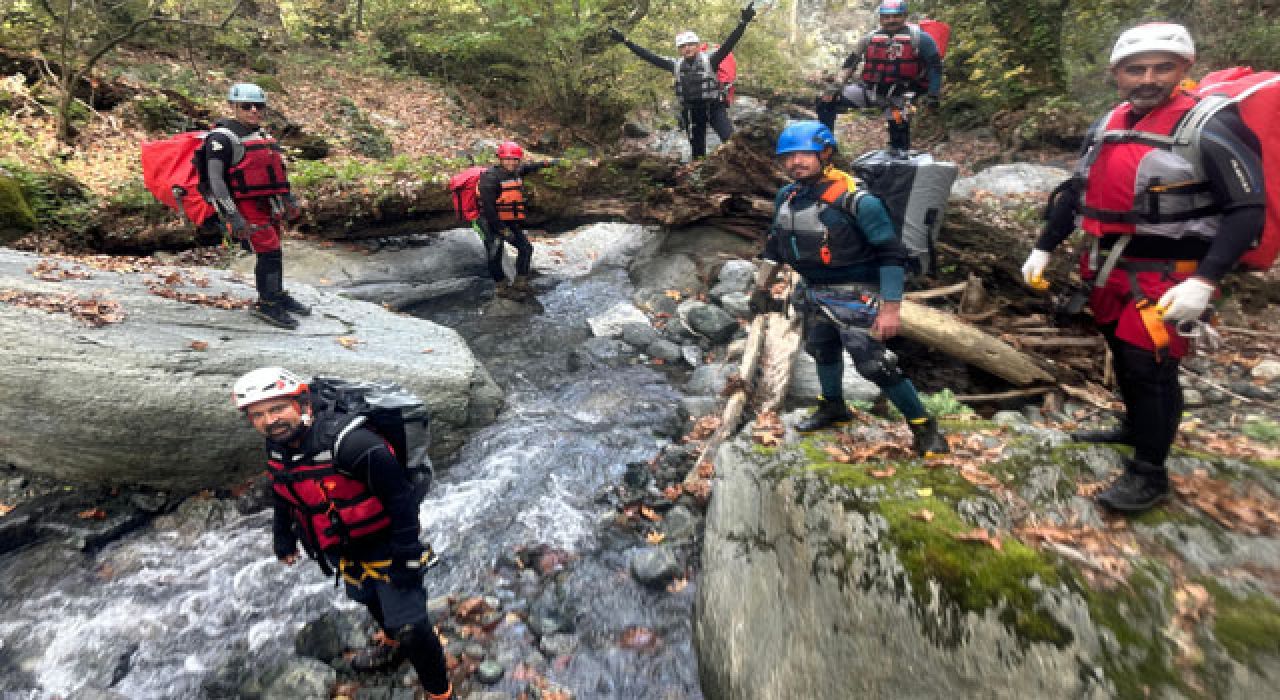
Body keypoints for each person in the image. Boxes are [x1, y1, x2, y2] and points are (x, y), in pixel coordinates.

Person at [1020, 23, 1265, 513]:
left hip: (1171, 274)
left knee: (1149, 368)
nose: (1148, 78)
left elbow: (1247, 209)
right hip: (1108, 268)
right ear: (1117, 73)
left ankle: (1150, 473)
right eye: (1136, 69)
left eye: (1163, 67)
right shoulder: (1108, 122)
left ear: (1184, 69)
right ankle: (1134, 428)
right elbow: (1077, 190)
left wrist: (1205, 280)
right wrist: (1045, 245)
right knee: (1124, 356)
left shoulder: (1211, 126)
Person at [232, 368, 454, 699]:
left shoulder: (354, 444)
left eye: (277, 409)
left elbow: (400, 499)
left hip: (387, 543)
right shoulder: (278, 446)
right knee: (367, 596)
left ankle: (440, 691)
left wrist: (407, 557)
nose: (269, 421)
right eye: (258, 415)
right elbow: (283, 491)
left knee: (412, 625)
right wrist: (283, 538)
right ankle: (390, 642)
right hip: (340, 545)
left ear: (302, 403)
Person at [750, 121, 949, 457]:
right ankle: (833, 407)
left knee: (874, 364)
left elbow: (891, 254)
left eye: (803, 154)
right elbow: (774, 247)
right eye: (787, 156)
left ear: (826, 153)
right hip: (813, 291)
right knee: (821, 350)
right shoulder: (787, 197)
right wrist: (760, 289)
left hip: (858, 294)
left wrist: (890, 309)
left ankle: (924, 428)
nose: (794, 162)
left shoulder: (859, 202)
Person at [201, 82, 308, 330]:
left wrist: (288, 197)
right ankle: (267, 304)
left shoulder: (261, 135)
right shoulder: (220, 139)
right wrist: (232, 215)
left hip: (268, 204)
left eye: (258, 107)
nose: (253, 111)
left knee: (274, 249)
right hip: (243, 205)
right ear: (233, 107)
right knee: (268, 251)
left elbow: (276, 170)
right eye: (246, 106)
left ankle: (277, 294)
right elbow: (216, 180)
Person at [609, 4, 756, 159]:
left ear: (698, 46)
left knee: (731, 141)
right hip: (692, 111)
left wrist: (743, 23)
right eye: (683, 46)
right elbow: (649, 56)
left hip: (714, 108)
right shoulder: (675, 65)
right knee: (698, 152)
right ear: (679, 50)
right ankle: (699, 178)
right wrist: (626, 41)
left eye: (691, 44)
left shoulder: (711, 60)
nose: (687, 48)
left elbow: (728, 44)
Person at [816, 0, 943, 153]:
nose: (891, 20)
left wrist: (933, 95)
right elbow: (850, 64)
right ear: (880, 18)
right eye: (886, 17)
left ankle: (898, 160)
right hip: (869, 91)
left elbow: (935, 67)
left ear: (905, 16)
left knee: (899, 136)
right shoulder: (869, 39)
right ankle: (827, 146)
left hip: (899, 98)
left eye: (896, 16)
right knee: (826, 101)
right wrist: (835, 87)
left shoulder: (921, 39)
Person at [476, 141, 559, 299]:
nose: (511, 162)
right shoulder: (490, 178)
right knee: (495, 254)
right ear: (500, 159)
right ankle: (501, 287)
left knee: (526, 248)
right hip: (489, 222)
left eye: (515, 159)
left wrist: (546, 163)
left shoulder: (515, 171)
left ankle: (520, 283)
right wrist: (502, 230)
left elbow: (528, 168)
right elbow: (488, 209)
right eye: (507, 159)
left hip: (508, 219)